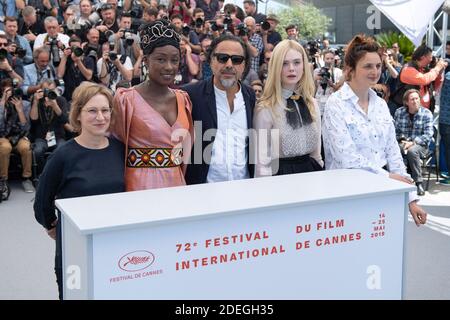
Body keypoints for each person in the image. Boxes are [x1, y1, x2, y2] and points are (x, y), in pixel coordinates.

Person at [322, 34, 427, 227]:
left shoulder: (380, 104)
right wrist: (387, 177)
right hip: (345, 198)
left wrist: (411, 199)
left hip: (380, 196)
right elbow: (347, 159)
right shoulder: (335, 105)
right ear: (350, 70)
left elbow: (393, 152)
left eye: (378, 66)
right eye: (368, 66)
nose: (375, 71)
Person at [34, 82, 125, 300]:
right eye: (92, 111)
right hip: (75, 252)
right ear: (78, 114)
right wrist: (54, 226)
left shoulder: (120, 149)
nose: (100, 117)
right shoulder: (63, 155)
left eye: (105, 111)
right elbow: (42, 202)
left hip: (112, 246)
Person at [112, 19, 194, 191]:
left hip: (177, 185)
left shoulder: (184, 99)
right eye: (161, 59)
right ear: (146, 61)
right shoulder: (126, 99)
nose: (169, 67)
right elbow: (115, 147)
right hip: (139, 186)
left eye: (175, 60)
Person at [183, 34, 256, 185]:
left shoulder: (251, 98)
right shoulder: (190, 96)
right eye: (222, 58)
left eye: (237, 60)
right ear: (210, 60)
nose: (229, 64)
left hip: (245, 191)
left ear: (244, 65)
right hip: (202, 193)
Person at [254, 39, 323, 177]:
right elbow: (262, 163)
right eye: (284, 63)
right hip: (280, 178)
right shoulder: (266, 108)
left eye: (297, 62)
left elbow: (317, 155)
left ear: (304, 65)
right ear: (276, 67)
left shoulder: (313, 104)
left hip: (312, 175)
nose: (291, 68)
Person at [394, 89, 434, 196]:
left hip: (421, 145)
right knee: (396, 149)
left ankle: (418, 182)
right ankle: (401, 179)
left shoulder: (426, 113)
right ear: (406, 102)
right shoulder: (399, 112)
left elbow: (429, 134)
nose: (415, 101)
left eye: (417, 98)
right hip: (403, 142)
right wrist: (403, 141)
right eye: (412, 99)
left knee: (412, 151)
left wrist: (413, 142)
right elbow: (395, 131)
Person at [0, 78, 33, 198]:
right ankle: (3, 180)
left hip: (19, 135)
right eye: (6, 91)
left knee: (26, 147)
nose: (10, 94)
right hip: (3, 136)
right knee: (5, 148)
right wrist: (2, 105)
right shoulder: (1, 104)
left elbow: (26, 128)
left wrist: (19, 111)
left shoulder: (25, 104)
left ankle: (26, 178)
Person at [393, 44, 447, 112]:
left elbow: (436, 86)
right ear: (422, 57)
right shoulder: (407, 69)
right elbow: (423, 80)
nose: (431, 60)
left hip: (425, 110)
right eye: (430, 57)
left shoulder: (425, 69)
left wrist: (439, 72)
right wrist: (437, 68)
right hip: (408, 112)